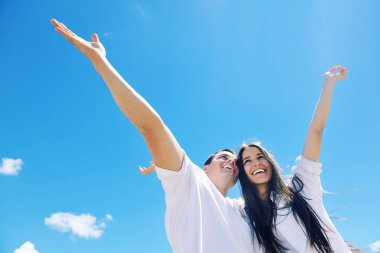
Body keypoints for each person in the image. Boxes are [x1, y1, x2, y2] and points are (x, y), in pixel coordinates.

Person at [51, 19, 255, 253]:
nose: (232, 161)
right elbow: (151, 127)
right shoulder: (189, 182)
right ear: (204, 168)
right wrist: (100, 61)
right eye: (223, 157)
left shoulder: (242, 211)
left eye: (235, 161)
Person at [236, 66, 353, 252]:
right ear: (242, 174)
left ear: (270, 164)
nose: (256, 162)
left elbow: (316, 129)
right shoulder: (247, 217)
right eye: (247, 161)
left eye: (260, 157)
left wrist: (328, 84)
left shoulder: (301, 187)